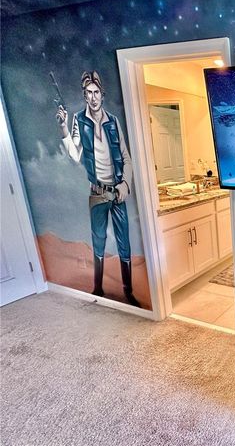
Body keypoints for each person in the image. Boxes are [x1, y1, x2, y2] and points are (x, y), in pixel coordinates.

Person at [56, 71, 140, 307]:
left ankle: (128, 291)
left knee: (124, 242)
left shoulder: (113, 121)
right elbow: (75, 156)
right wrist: (63, 129)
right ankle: (98, 289)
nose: (93, 98)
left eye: (96, 93)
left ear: (102, 95)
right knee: (98, 240)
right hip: (97, 192)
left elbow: (126, 157)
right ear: (84, 96)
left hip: (117, 191)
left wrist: (126, 184)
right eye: (88, 93)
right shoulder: (79, 121)